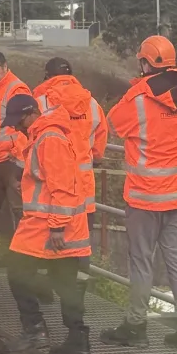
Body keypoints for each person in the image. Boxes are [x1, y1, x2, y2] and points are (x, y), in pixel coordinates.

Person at [99, 36, 177, 354]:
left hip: (145, 195)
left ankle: (136, 326)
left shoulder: (139, 97)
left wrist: (135, 91)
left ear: (145, 63)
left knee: (141, 261)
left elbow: (113, 123)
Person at [0, 94, 91, 354]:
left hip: (49, 227)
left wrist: (56, 228)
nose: (16, 127)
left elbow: (63, 187)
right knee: (65, 284)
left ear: (30, 115)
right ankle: (78, 340)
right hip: (58, 226)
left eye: (18, 121)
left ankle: (36, 330)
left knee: (17, 271)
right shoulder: (46, 135)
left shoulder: (49, 138)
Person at [33, 57, 109, 232]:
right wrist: (95, 159)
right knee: (82, 242)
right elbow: (100, 138)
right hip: (84, 186)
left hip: (52, 188)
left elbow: (32, 139)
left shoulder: (41, 102)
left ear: (47, 76)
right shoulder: (91, 103)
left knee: (53, 246)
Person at [0, 51, 31, 264]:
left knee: (18, 208)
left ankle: (23, 255)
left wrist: (18, 159)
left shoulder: (16, 88)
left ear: (5, 67)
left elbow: (25, 127)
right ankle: (6, 250)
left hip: (11, 159)